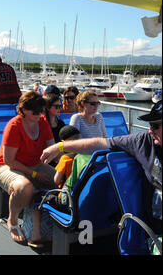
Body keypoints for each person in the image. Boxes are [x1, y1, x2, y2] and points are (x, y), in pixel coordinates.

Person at [41, 100, 162, 237]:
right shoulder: (143, 142)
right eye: (150, 125)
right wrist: (59, 147)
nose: (150, 130)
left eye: (155, 126)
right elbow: (99, 144)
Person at [0, 91, 56, 248]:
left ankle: (48, 223)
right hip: (6, 166)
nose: (39, 114)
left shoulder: (42, 121)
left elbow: (52, 148)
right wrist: (34, 174)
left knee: (60, 181)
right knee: (24, 187)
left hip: (34, 164)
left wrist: (66, 163)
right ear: (24, 110)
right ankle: (12, 220)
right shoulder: (14, 126)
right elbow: (10, 161)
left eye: (41, 111)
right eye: (35, 111)